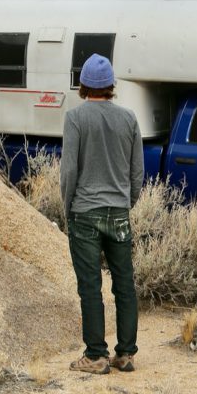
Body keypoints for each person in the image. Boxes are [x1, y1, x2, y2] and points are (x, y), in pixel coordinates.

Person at [60, 53, 144, 375]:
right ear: (111, 85)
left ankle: (96, 355)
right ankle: (125, 354)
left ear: (83, 86)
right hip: (118, 212)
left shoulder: (76, 118)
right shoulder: (129, 119)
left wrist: (68, 208)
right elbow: (137, 173)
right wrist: (126, 203)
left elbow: (69, 171)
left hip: (84, 213)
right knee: (124, 284)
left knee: (90, 287)